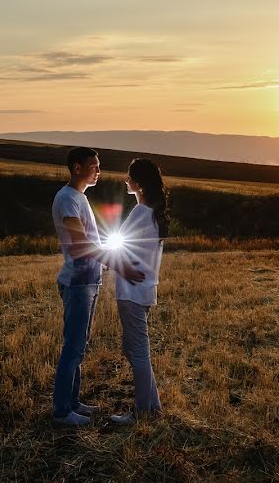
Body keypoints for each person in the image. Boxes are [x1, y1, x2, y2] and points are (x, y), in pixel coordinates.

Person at [50, 147, 143, 427]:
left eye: (99, 165)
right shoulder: (67, 198)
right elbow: (81, 243)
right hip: (78, 281)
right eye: (94, 166)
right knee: (73, 347)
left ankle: (73, 403)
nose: (98, 171)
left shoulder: (79, 197)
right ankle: (61, 412)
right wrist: (117, 263)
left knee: (80, 345)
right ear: (77, 168)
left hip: (88, 279)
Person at [108, 158, 169, 425]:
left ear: (139, 183)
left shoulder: (141, 213)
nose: (126, 180)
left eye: (129, 176)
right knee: (133, 350)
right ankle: (152, 406)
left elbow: (119, 247)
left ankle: (144, 412)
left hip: (132, 291)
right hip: (142, 290)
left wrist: (115, 264)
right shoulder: (153, 213)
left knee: (138, 351)